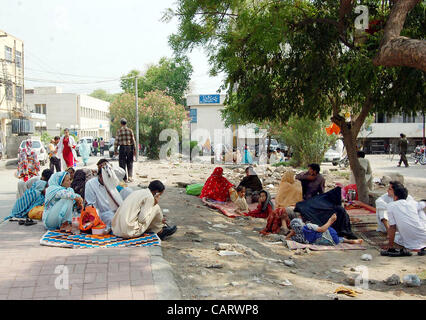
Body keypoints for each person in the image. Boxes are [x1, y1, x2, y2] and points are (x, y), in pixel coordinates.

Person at [112, 180, 177, 240]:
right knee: (156, 207)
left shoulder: (137, 192)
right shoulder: (149, 197)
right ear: (156, 192)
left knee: (150, 210)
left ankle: (159, 227)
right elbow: (142, 219)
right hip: (128, 231)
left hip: (117, 229)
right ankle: (160, 231)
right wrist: (154, 204)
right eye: (160, 194)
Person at [381, 183, 426, 255]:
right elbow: (424, 203)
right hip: (423, 235)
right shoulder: (413, 203)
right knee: (419, 208)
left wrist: (390, 245)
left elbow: (392, 227)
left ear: (395, 197)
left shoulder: (390, 206)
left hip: (409, 244)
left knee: (397, 237)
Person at [285, 213, 363, 246]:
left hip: (329, 242)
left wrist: (292, 232)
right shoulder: (308, 226)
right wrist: (330, 220)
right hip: (330, 235)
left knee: (335, 239)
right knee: (325, 231)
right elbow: (322, 229)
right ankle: (350, 240)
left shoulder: (299, 238)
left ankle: (349, 241)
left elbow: (287, 239)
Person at [84, 164, 123, 228]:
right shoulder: (90, 184)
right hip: (101, 214)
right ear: (100, 176)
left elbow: (122, 173)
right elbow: (92, 206)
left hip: (116, 211)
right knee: (112, 218)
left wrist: (110, 167)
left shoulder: (111, 181)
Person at [114, 118, 136, 182]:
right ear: (126, 123)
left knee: (122, 163)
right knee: (130, 162)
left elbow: (116, 141)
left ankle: (124, 178)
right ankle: (130, 177)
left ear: (121, 124)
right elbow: (133, 140)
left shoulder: (119, 131)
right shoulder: (130, 130)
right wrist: (135, 149)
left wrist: (115, 150)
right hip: (129, 147)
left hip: (122, 148)